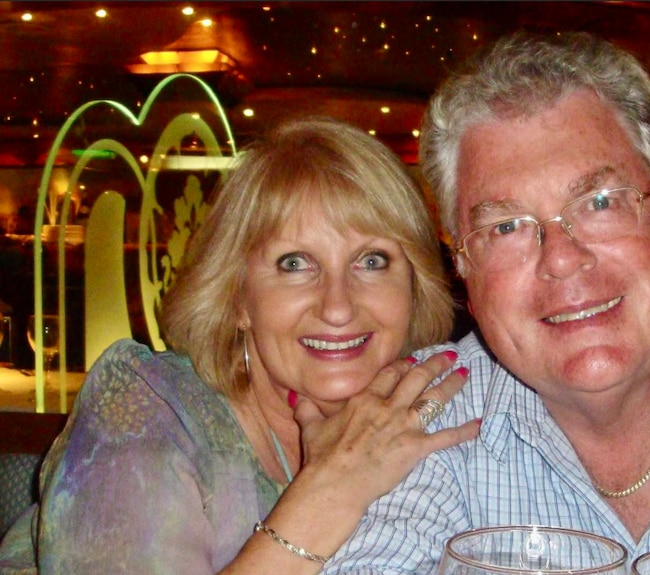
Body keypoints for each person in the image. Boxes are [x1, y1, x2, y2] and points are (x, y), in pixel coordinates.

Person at [322, 32, 650, 573]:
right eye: (506, 226)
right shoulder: (422, 423)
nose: (561, 258)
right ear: (463, 266)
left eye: (599, 202)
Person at [0, 117, 479, 574]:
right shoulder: (148, 408)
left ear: (414, 288)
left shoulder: (434, 417)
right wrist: (332, 489)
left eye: (372, 261)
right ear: (238, 298)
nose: (338, 306)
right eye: (295, 264)